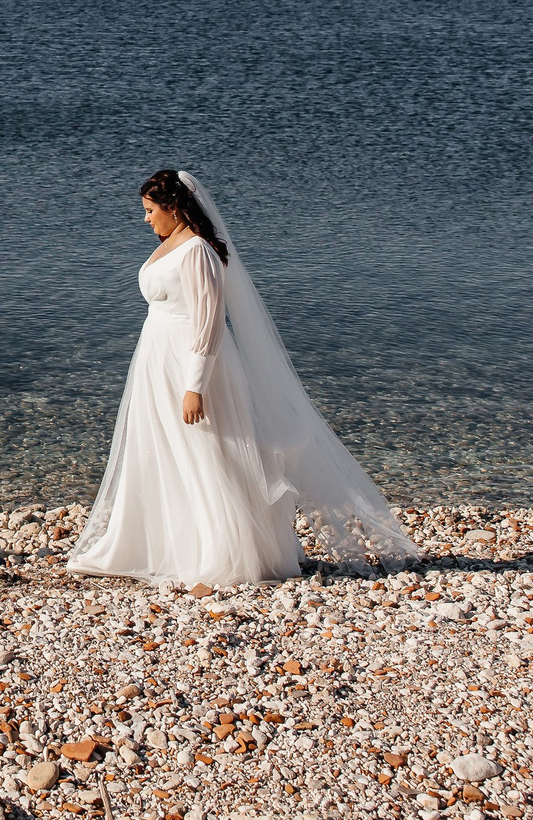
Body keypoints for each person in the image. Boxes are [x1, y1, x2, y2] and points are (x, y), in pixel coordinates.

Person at [66, 168, 415, 586]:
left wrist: (194, 386)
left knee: (208, 452)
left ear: (174, 208)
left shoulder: (197, 251)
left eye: (150, 210)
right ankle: (163, 545)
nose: (145, 219)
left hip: (189, 362)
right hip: (157, 360)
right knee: (161, 450)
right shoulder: (170, 245)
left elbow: (209, 321)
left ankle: (227, 552)